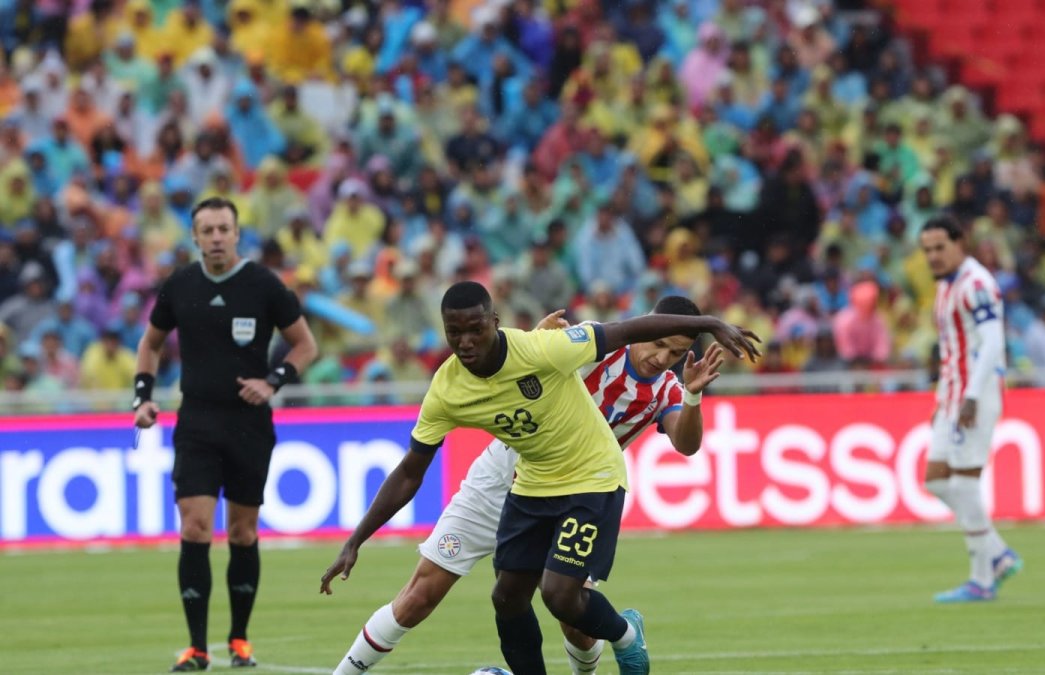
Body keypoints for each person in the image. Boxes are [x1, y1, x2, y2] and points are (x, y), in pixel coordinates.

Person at [320, 282, 759, 675]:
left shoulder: (666, 389)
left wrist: (694, 394)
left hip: (585, 481)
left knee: (569, 611)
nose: (661, 357)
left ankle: (618, 641)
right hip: (507, 476)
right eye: (657, 342)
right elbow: (529, 351)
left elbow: (685, 443)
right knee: (428, 595)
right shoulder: (589, 348)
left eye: (675, 352)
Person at [133, 197, 319, 671]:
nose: (216, 237)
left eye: (223, 229)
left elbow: (305, 345)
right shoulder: (180, 285)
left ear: (237, 234)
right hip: (195, 420)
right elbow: (150, 344)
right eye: (207, 230)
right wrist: (144, 396)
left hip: (248, 426)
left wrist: (274, 381)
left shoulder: (262, 285)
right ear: (194, 237)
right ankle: (196, 648)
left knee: (242, 531)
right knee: (194, 526)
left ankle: (238, 641)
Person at [918, 216, 1022, 603]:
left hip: (974, 396)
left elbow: (994, 343)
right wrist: (942, 400)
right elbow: (952, 352)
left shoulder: (976, 284)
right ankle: (997, 553)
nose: (933, 256)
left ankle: (982, 579)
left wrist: (972, 397)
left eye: (940, 247)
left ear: (961, 242)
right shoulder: (947, 288)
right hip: (953, 395)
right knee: (935, 480)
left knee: (963, 483)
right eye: (927, 250)